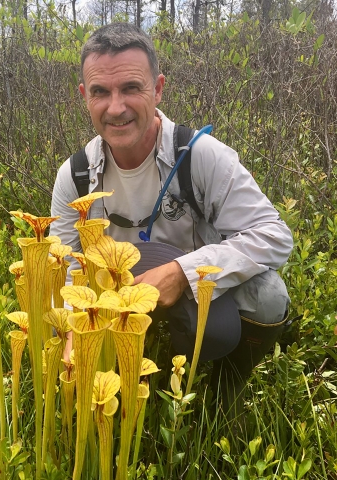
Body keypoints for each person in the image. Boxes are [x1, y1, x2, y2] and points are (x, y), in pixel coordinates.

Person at [49, 23, 293, 419]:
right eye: (100, 92)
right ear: (83, 97)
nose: (116, 107)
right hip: (118, 304)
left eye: (131, 87)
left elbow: (275, 235)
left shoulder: (200, 155)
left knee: (267, 297)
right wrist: (74, 331)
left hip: (188, 294)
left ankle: (225, 384)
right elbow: (64, 266)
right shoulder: (76, 174)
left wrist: (183, 271)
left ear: (158, 88)